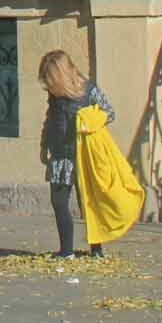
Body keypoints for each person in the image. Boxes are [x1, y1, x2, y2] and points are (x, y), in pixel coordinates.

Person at [40, 50, 114, 259]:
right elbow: (50, 118)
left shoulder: (89, 90)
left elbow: (109, 112)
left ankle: (97, 249)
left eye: (51, 79)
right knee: (59, 201)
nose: (49, 85)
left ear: (61, 74)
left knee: (88, 201)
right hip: (60, 153)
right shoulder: (54, 94)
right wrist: (44, 144)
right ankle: (66, 251)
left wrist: (88, 120)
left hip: (83, 153)